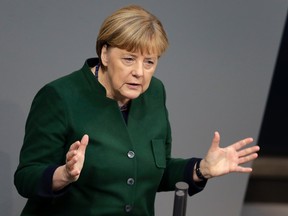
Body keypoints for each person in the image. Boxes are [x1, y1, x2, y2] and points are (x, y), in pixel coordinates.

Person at [14, 5, 260, 216]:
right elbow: (26, 178)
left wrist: (201, 169)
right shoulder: (60, 97)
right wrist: (63, 175)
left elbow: (154, 173)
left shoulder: (154, 93)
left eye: (149, 62)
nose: (140, 72)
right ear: (105, 54)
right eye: (129, 59)